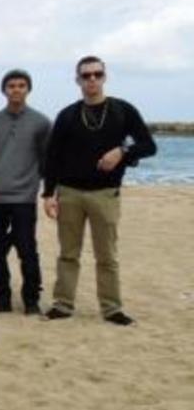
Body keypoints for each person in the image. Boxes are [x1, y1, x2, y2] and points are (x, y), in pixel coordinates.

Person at [42, 56, 157, 325]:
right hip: (69, 193)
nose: (91, 79)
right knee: (68, 254)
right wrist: (48, 194)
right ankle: (63, 304)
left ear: (104, 77)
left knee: (107, 255)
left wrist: (122, 151)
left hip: (106, 193)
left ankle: (112, 308)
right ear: (77, 80)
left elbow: (149, 145)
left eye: (96, 74)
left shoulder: (122, 110)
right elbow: (53, 157)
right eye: (86, 75)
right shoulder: (67, 114)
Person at [0, 69, 52, 314]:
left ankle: (31, 300)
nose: (16, 90)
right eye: (11, 86)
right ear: (4, 90)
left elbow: (47, 160)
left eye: (21, 85)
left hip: (24, 197)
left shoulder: (41, 123)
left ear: (28, 89)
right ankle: (2, 297)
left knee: (27, 249)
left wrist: (43, 188)